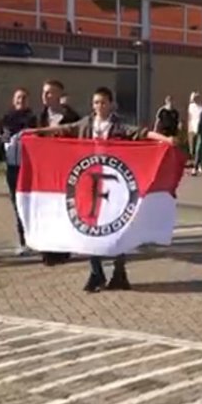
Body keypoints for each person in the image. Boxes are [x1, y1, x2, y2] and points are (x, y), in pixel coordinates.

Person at [29, 87, 172, 292]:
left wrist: (165, 139)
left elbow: (140, 133)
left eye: (103, 102)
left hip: (113, 184)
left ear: (111, 104)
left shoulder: (117, 125)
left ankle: (119, 272)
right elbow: (65, 129)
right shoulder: (87, 124)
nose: (99, 106)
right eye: (96, 103)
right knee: (89, 227)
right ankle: (96, 272)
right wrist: (37, 132)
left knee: (116, 228)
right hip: (89, 181)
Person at [35, 79, 82, 266]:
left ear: (59, 95)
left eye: (50, 92)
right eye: (44, 92)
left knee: (63, 208)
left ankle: (63, 249)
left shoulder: (72, 118)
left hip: (66, 169)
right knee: (46, 208)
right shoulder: (39, 118)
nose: (45, 96)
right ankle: (48, 250)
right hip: (45, 169)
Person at [0, 87, 37, 256]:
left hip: (28, 167)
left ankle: (32, 238)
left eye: (24, 98)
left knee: (29, 203)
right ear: (13, 100)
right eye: (18, 98)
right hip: (11, 167)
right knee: (16, 203)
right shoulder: (5, 118)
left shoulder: (32, 119)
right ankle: (22, 241)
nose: (21, 101)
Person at [187, 91, 202, 176]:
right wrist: (189, 128)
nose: (195, 100)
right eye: (194, 98)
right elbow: (189, 118)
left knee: (198, 149)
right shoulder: (191, 106)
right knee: (192, 150)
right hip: (192, 130)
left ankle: (195, 168)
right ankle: (200, 164)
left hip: (201, 130)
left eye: (196, 98)